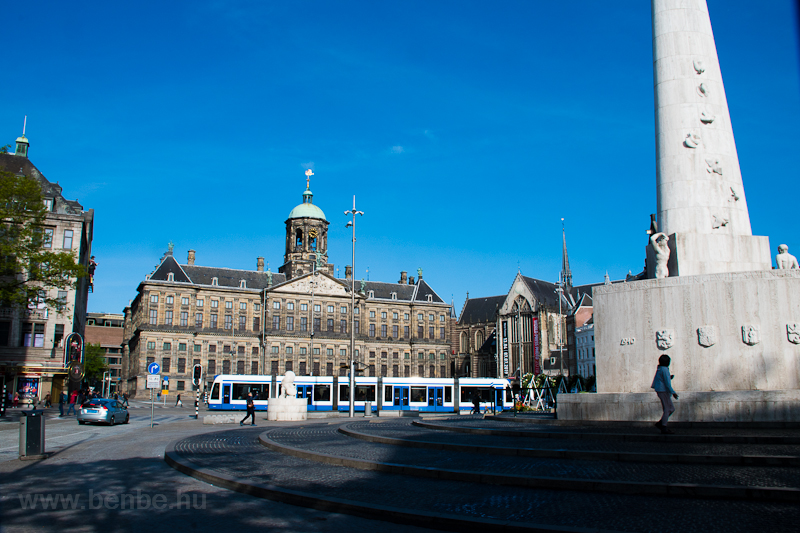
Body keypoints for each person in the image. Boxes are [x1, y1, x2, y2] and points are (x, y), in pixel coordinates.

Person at [651, 354, 679, 434]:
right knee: (667, 409)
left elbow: (661, 379)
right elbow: (667, 383)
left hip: (660, 390)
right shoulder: (665, 369)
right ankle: (663, 426)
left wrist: (669, 377)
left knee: (671, 409)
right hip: (663, 390)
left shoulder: (660, 369)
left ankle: (661, 423)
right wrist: (673, 392)